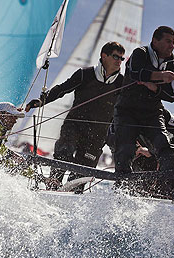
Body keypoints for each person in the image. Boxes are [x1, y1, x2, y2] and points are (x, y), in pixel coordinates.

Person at [25, 41, 126, 192]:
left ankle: (73, 197)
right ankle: (52, 189)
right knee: (63, 155)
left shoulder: (122, 84)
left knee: (81, 174)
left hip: (97, 136)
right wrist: (42, 101)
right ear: (104, 56)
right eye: (116, 57)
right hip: (73, 127)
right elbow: (62, 89)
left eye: (122, 59)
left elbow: (126, 112)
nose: (119, 61)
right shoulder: (85, 74)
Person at [112, 26, 174, 176]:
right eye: (168, 41)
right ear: (155, 41)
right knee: (125, 150)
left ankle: (170, 186)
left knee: (166, 146)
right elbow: (136, 73)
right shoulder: (140, 53)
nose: (172, 46)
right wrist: (161, 76)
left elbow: (172, 96)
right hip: (127, 110)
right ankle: (122, 187)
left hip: (152, 113)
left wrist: (155, 89)